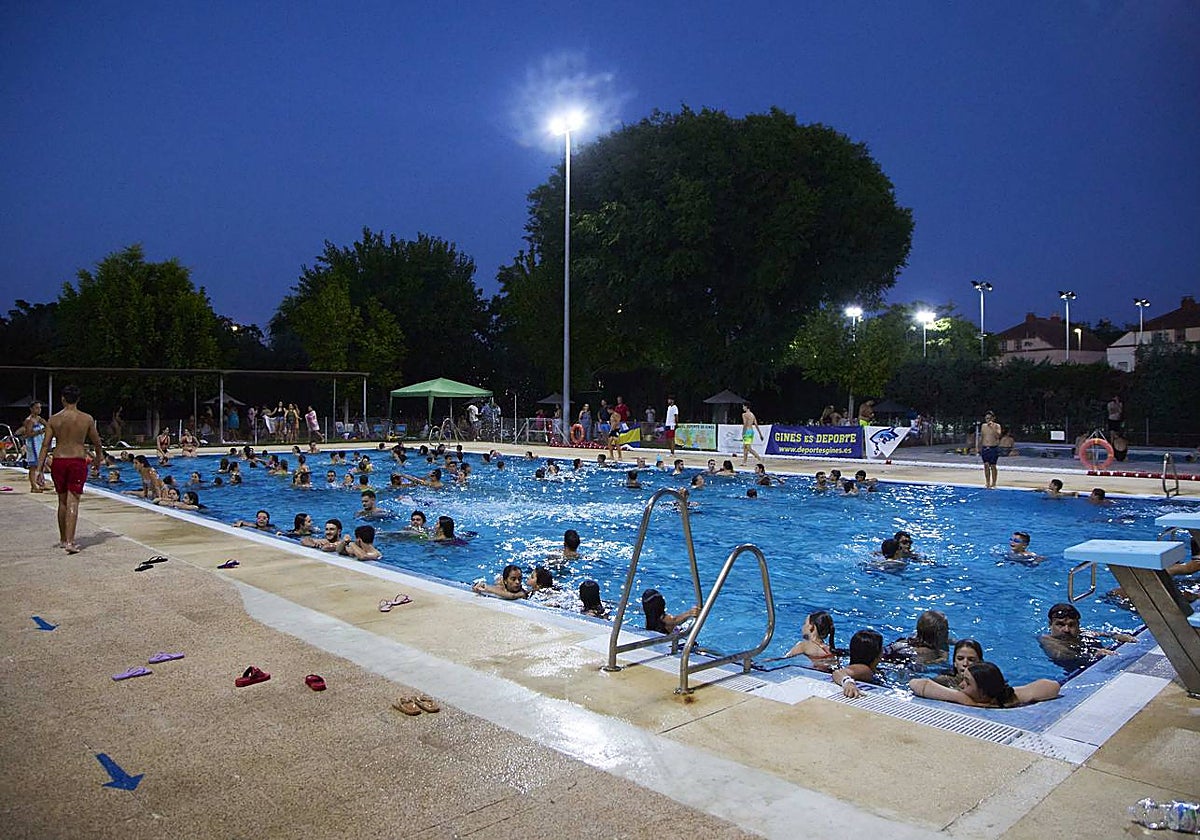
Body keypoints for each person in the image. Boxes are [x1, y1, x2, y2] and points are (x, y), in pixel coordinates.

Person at [35, 386, 105, 554]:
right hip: (77, 461)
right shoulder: (86, 419)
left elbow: (45, 445)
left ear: (62, 399)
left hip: (59, 460)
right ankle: (70, 542)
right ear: (78, 399)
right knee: (73, 501)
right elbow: (97, 443)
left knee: (62, 501)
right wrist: (98, 459)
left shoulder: (54, 419)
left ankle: (62, 539)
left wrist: (39, 469)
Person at [909, 662, 1060, 708]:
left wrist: (1015, 697)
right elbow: (915, 683)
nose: (961, 685)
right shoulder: (960, 694)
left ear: (983, 693)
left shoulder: (1007, 697)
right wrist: (960, 698)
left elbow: (1053, 686)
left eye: (967, 682)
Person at [1039, 602, 1137, 669]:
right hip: (1076, 669)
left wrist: (1114, 635)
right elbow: (1063, 656)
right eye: (1060, 624)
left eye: (1071, 625)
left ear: (1078, 625)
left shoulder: (1080, 632)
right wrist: (1094, 653)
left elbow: (1096, 633)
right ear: (1050, 624)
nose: (1066, 630)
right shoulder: (1047, 640)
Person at [830, 629, 884, 698]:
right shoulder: (865, 669)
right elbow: (838, 672)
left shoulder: (868, 669)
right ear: (877, 654)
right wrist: (848, 682)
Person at [885, 610, 949, 666]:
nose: (948, 631)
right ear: (939, 634)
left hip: (893, 650)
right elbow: (922, 664)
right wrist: (943, 659)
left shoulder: (913, 637)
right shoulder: (931, 652)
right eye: (946, 629)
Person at [19, 400, 46, 493]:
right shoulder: (29, 420)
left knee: (40, 464)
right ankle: (33, 486)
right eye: (37, 408)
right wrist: (40, 431)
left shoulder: (39, 419)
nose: (39, 409)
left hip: (39, 444)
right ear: (31, 409)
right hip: (32, 445)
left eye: (40, 408)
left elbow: (47, 425)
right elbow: (27, 434)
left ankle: (41, 483)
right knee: (33, 466)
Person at [979, 411, 1002, 489]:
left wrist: (992, 427)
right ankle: (987, 482)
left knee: (993, 465)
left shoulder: (997, 426)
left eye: (989, 418)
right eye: (986, 418)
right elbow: (982, 437)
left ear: (993, 418)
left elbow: (998, 436)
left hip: (993, 448)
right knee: (986, 465)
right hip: (985, 447)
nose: (988, 420)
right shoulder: (983, 426)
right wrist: (978, 447)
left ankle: (994, 483)